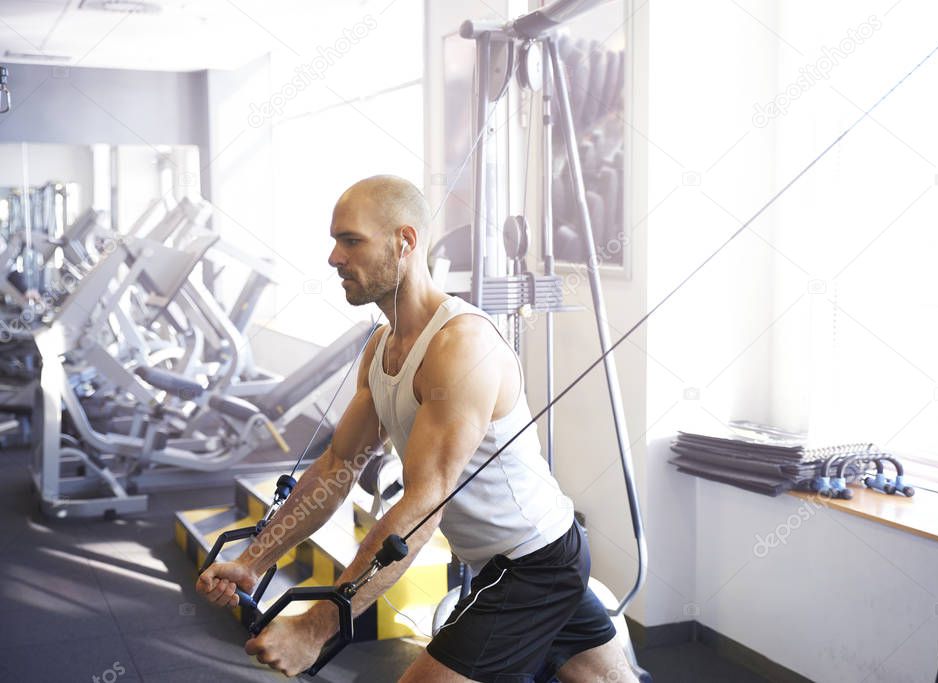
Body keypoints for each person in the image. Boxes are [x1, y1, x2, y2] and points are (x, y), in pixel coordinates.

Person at [196, 175, 638, 682]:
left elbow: (425, 505)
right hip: (513, 556)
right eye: (335, 241)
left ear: (404, 243)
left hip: (532, 562)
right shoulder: (381, 348)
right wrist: (255, 559)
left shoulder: (459, 347)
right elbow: (338, 466)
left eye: (351, 240)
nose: (334, 258)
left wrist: (318, 627)